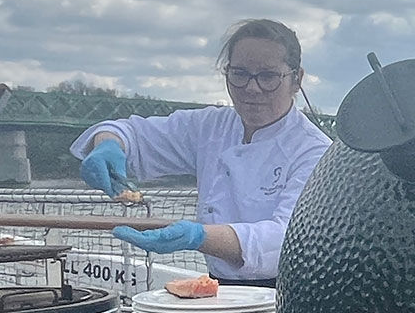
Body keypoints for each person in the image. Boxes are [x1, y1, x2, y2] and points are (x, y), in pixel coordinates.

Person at [72, 18, 330, 284]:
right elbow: (133, 134)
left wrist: (199, 237)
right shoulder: (209, 127)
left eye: (268, 76)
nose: (252, 88)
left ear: (296, 79)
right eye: (240, 74)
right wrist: (108, 144)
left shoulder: (315, 151)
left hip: (289, 294)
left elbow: (287, 238)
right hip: (219, 287)